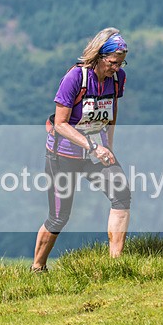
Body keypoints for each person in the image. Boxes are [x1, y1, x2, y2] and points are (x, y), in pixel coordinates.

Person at [31, 28, 131, 273]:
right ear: (99, 56)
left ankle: (115, 264)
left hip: (96, 151)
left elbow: (111, 111)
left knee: (122, 195)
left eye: (121, 63)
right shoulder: (75, 78)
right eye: (112, 63)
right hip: (63, 154)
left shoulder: (117, 79)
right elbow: (61, 124)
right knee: (59, 217)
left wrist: (108, 146)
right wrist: (93, 146)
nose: (116, 68)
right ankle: (37, 268)